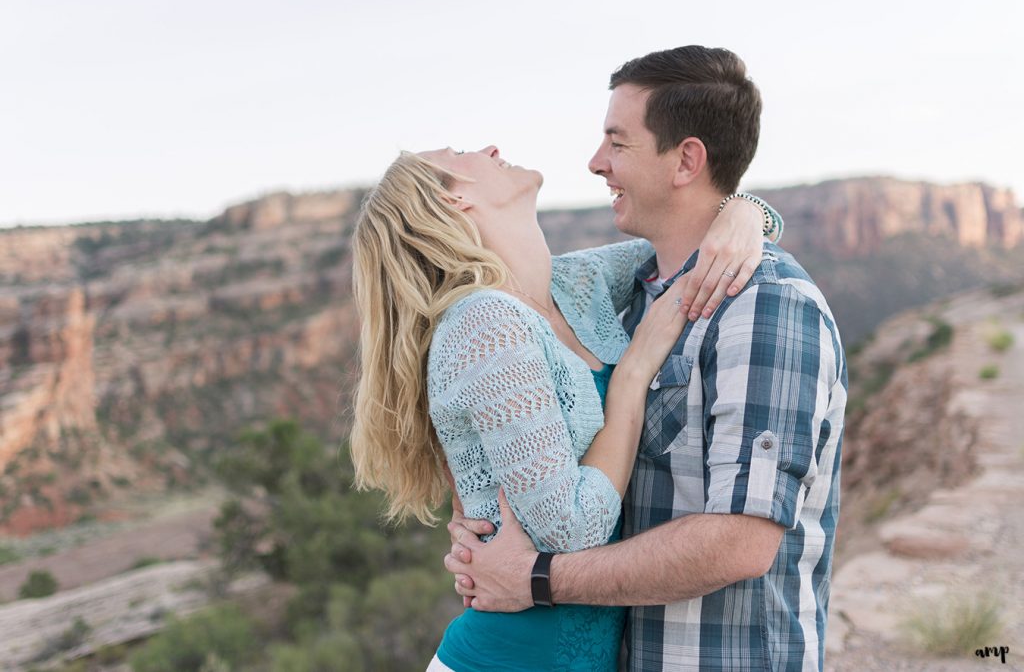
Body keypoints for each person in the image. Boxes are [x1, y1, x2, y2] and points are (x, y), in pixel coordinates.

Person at [445, 46, 846, 671]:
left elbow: (740, 543)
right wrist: (477, 523)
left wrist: (536, 578)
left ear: (687, 159)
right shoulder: (624, 300)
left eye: (618, 143)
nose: (596, 163)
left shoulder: (767, 308)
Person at [349, 142, 780, 671]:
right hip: (505, 660)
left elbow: (691, 244)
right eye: (462, 153)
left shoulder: (575, 284)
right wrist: (632, 376)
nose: (491, 147)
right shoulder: (483, 324)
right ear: (454, 199)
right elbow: (569, 531)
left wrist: (746, 210)